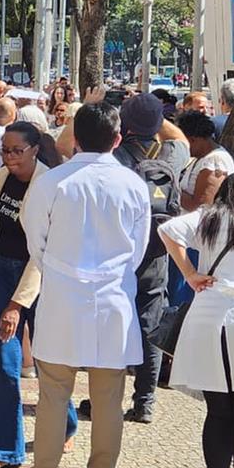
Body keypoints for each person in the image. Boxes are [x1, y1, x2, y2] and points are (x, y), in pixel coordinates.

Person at [5, 102, 151, 468]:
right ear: (118, 139)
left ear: (75, 139)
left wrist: (61, 270)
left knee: (53, 394)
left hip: (63, 297)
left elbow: (35, 240)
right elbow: (138, 249)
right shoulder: (132, 185)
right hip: (113, 297)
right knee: (109, 399)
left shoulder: (53, 182)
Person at [0, 121, 76, 468]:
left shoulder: (51, 185)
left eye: (17, 150)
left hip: (42, 277)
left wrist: (17, 304)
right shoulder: (1, 178)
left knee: (48, 361)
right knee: (6, 363)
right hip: (3, 271)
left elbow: (42, 252)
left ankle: (66, 423)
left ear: (35, 149)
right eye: (4, 150)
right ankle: (5, 450)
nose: (9, 157)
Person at [159, 174, 234, 468]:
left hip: (207, 315)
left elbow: (167, 230)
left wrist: (190, 273)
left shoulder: (210, 217)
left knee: (218, 410)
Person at [99, 94, 189, 425]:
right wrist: (158, 120)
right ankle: (145, 401)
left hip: (118, 251)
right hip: (157, 251)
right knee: (150, 324)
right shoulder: (173, 154)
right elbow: (179, 137)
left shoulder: (115, 156)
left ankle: (106, 399)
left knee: (112, 324)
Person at [177, 110, 234, 211]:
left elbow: (202, 207)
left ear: (193, 140)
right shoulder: (202, 158)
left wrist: (172, 189)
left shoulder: (215, 160)